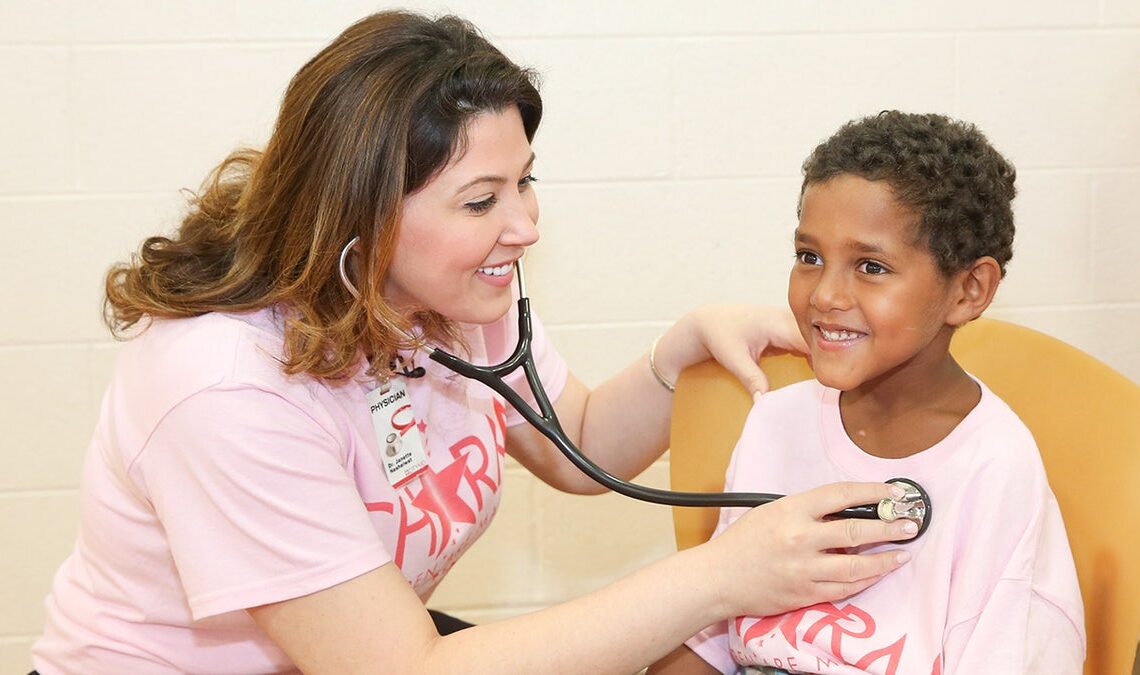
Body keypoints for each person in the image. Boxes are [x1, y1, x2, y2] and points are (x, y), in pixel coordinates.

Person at [30, 13, 920, 675]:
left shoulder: (443, 293)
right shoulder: (222, 384)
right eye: (481, 199)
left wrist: (674, 354)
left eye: (525, 182)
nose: (525, 226)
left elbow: (580, 446)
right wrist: (726, 576)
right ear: (362, 213)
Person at [648, 111, 1086, 675]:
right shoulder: (775, 422)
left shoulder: (995, 468)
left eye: (871, 266)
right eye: (809, 257)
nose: (825, 294)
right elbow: (712, 629)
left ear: (969, 289)